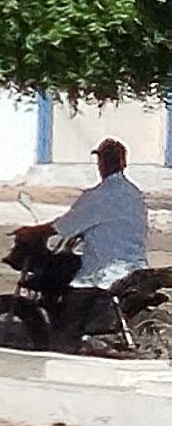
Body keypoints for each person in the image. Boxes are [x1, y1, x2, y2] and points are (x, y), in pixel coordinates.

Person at [37, 138, 149, 331]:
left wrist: (33, 232)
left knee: (72, 308)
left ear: (102, 163)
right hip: (135, 265)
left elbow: (65, 225)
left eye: (105, 159)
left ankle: (68, 341)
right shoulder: (133, 193)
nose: (103, 164)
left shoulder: (99, 195)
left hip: (106, 269)